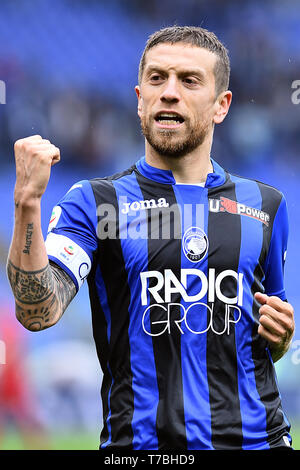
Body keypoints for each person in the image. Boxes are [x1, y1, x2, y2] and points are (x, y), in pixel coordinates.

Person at [7, 26, 295, 451]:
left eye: (189, 80)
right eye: (157, 79)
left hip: (260, 443)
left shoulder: (266, 206)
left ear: (221, 105)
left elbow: (265, 343)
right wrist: (27, 203)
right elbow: (37, 311)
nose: (170, 92)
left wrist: (283, 338)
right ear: (140, 98)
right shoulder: (96, 203)